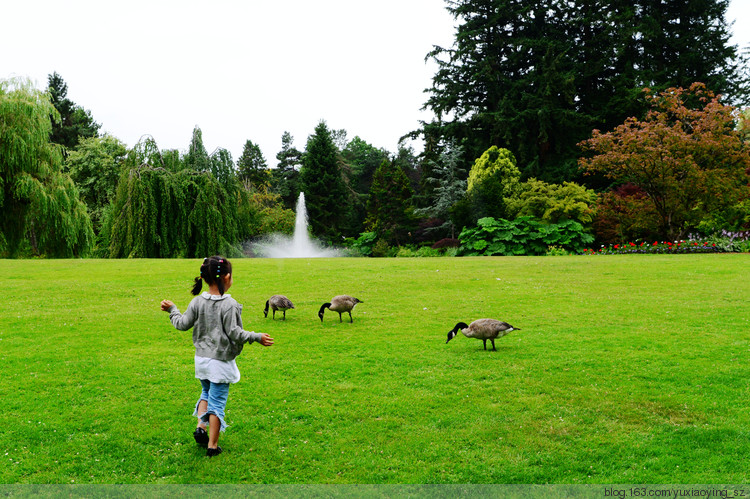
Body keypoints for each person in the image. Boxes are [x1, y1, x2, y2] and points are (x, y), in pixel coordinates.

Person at [160, 256, 273, 457]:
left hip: (201, 361)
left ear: (204, 278)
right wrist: (256, 337)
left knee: (206, 392)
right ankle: (212, 446)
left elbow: (181, 324)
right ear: (227, 277)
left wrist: (172, 310)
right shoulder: (229, 305)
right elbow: (235, 333)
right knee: (217, 402)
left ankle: (200, 428)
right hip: (219, 363)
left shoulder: (197, 302)